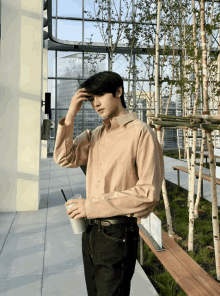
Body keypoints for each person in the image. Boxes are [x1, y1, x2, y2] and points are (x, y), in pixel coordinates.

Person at [53, 71, 164, 296]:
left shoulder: (140, 132)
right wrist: (71, 113)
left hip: (118, 234)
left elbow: (147, 194)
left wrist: (91, 206)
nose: (95, 103)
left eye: (100, 95)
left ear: (118, 92)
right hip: (91, 232)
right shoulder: (95, 135)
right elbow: (64, 158)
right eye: (91, 98)